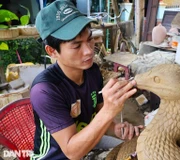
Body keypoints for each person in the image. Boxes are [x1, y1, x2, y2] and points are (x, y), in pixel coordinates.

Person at [30, 0, 143, 159]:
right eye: (76, 46)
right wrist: (109, 110)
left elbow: (98, 114)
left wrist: (115, 128)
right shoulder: (45, 90)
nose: (89, 51)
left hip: (87, 145)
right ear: (52, 51)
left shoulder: (92, 72)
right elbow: (72, 152)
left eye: (90, 39)